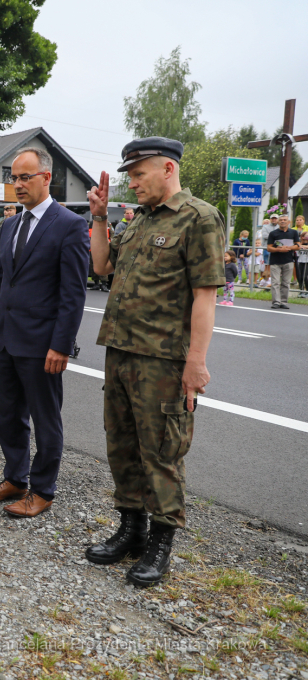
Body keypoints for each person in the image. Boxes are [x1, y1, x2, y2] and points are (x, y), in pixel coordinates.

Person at [85, 136, 224, 588]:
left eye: (139, 174)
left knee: (162, 452)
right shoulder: (140, 220)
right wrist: (100, 218)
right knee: (121, 445)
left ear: (167, 169)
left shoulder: (198, 218)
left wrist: (196, 362)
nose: (133, 182)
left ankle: (161, 540)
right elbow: (102, 266)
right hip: (121, 352)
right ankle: (131, 528)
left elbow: (206, 296)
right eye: (129, 174)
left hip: (164, 361)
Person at [0, 147, 88, 518]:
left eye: (25, 177)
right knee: (8, 415)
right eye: (14, 178)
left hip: (42, 345)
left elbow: (73, 294)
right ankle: (15, 479)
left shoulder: (68, 224)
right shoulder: (9, 224)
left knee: (45, 418)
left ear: (46, 178)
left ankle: (43, 490)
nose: (17, 185)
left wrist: (61, 345)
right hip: (7, 338)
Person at [267, 215, 298, 309]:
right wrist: (279, 249)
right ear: (278, 222)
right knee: (275, 282)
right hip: (275, 261)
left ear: (289, 222)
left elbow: (298, 245)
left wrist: (288, 248)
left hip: (288, 260)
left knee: (286, 282)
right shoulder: (273, 233)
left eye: (285, 220)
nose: (282, 221)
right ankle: (276, 302)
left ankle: (284, 302)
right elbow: (269, 247)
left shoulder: (294, 232)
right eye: (281, 220)